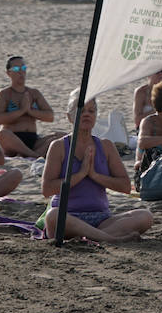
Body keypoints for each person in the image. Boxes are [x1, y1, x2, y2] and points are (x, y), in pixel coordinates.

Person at [41, 100, 153, 243]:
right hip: (67, 217)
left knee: (145, 216)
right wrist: (81, 174)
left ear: (96, 116)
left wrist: (94, 175)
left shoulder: (106, 146)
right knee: (52, 216)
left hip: (102, 219)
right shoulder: (59, 146)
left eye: (91, 111)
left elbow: (125, 186)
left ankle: (94, 237)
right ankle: (110, 239)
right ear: (69, 117)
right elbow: (47, 189)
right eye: (81, 111)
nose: (86, 114)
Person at [0, 55, 59, 158]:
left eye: (23, 68)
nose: (21, 72)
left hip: (33, 140)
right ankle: (34, 156)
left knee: (60, 136)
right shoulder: (4, 94)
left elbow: (50, 116)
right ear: (8, 73)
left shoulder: (34, 93)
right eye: (16, 69)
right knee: (2, 134)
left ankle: (32, 154)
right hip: (13, 139)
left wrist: (30, 111)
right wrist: (22, 111)